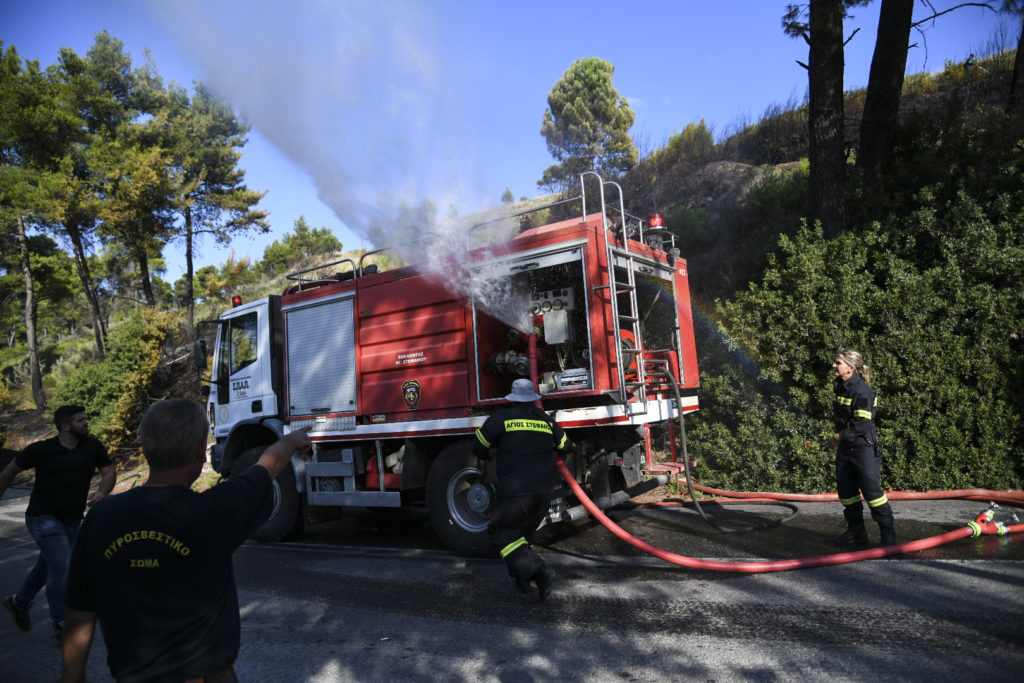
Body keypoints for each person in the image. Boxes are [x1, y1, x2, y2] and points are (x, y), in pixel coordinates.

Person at [61, 398, 311, 683]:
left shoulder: (101, 517)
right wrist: (292, 439)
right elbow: (268, 465)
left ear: (146, 449)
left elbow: (80, 615)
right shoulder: (216, 510)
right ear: (200, 455)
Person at [0, 405, 114, 645]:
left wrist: (103, 491)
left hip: (72, 518)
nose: (85, 422)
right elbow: (11, 469)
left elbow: (109, 470)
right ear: (65, 426)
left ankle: (19, 602)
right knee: (62, 567)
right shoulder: (42, 450)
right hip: (42, 518)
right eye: (80, 420)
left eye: (85, 418)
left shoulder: (92, 446)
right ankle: (62, 624)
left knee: (48, 565)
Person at [472, 378, 575, 601]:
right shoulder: (544, 420)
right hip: (544, 491)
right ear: (532, 399)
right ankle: (522, 581)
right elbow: (566, 445)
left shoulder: (501, 418)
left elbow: (478, 445)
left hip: (516, 491)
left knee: (499, 532)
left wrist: (489, 454)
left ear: (512, 398)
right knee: (520, 538)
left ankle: (539, 571)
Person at [827, 349, 896, 547]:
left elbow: (862, 425)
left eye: (838, 362)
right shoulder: (841, 386)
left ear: (851, 367)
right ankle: (856, 533)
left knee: (872, 493)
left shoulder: (862, 391)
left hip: (863, 448)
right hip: (846, 449)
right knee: (847, 492)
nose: (834, 365)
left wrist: (839, 436)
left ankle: (888, 535)